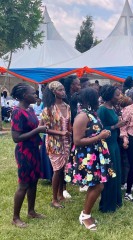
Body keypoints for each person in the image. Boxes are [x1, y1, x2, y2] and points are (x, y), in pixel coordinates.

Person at [65, 88, 115, 231]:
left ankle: (86, 213)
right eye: (96, 97)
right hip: (87, 156)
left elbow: (93, 132)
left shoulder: (92, 114)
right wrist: (100, 136)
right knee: (98, 185)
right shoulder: (82, 116)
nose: (99, 99)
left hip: (95, 154)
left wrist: (103, 134)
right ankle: (85, 215)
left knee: (96, 185)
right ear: (89, 99)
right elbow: (77, 140)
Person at [10, 83, 47, 228]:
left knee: (34, 181)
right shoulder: (17, 112)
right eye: (33, 93)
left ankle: (31, 211)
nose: (36, 95)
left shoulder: (30, 109)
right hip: (24, 152)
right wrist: (37, 130)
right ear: (25, 96)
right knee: (24, 184)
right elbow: (16, 137)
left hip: (34, 150)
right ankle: (15, 217)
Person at [41, 81, 72, 208]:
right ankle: (54, 199)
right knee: (57, 170)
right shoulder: (48, 108)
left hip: (66, 142)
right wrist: (60, 133)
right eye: (60, 90)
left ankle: (60, 195)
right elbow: (42, 128)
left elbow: (68, 124)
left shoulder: (67, 106)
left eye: (63, 89)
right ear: (54, 92)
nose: (63, 92)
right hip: (54, 143)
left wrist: (71, 132)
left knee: (63, 169)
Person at [97, 85, 127, 212]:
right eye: (117, 95)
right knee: (110, 174)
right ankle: (107, 205)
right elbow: (99, 130)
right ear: (109, 96)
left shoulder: (113, 108)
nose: (119, 97)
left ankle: (116, 201)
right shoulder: (102, 110)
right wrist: (116, 126)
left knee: (117, 173)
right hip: (107, 145)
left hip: (114, 144)